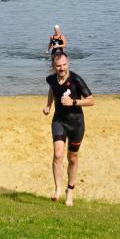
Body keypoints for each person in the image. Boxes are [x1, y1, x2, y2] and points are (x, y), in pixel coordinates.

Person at [42, 51, 93, 207]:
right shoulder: (51, 79)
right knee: (58, 155)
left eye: (64, 65)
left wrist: (73, 102)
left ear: (68, 63)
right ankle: (58, 188)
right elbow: (52, 90)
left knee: (72, 158)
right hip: (59, 121)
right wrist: (48, 105)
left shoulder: (76, 79)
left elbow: (91, 100)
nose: (62, 68)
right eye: (58, 66)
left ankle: (69, 191)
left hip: (76, 124)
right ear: (53, 66)